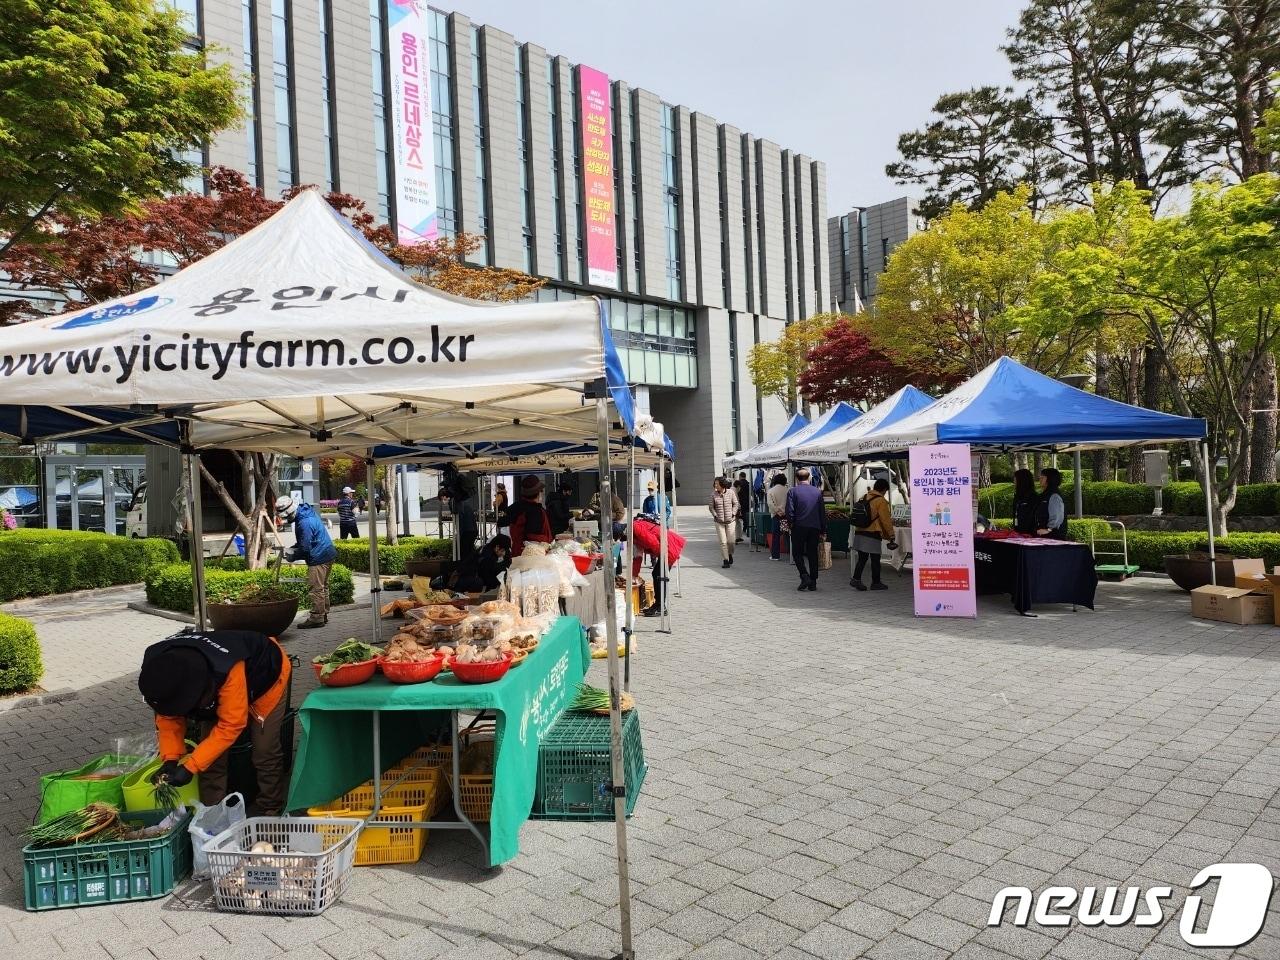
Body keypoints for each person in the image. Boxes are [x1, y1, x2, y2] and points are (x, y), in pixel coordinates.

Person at [138, 629, 291, 815]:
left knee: (264, 749)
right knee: (210, 757)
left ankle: (270, 806)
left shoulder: (227, 668)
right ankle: (212, 811)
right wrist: (170, 758)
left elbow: (232, 724)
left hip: (266, 675)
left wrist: (189, 767)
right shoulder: (162, 671)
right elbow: (168, 716)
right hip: (214, 686)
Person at [275, 495, 337, 628]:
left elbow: (305, 548)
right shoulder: (306, 513)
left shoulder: (303, 522)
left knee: (316, 588)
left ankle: (316, 618)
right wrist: (294, 548)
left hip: (319, 557)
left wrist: (293, 556)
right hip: (327, 553)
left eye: (286, 516)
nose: (286, 519)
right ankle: (323, 614)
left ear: (291, 512)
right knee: (323, 587)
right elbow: (305, 541)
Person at [850, 478, 897, 591]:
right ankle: (875, 582)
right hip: (872, 532)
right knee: (875, 559)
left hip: (860, 530)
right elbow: (885, 520)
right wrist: (891, 535)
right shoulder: (881, 501)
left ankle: (856, 579)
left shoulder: (865, 496)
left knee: (862, 558)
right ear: (884, 489)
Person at [785, 467, 826, 591]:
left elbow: (789, 511)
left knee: (797, 553)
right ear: (809, 477)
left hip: (799, 526)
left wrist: (791, 523)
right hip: (814, 527)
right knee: (812, 553)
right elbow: (822, 513)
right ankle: (813, 581)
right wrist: (823, 530)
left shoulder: (792, 492)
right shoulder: (817, 492)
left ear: (797, 479)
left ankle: (804, 575)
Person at [507, 475, 553, 556]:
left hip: (517, 551)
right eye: (541, 491)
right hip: (530, 554)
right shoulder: (535, 511)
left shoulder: (516, 506)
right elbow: (532, 536)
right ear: (538, 493)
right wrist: (546, 542)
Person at [709, 477, 737, 568]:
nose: (715, 485)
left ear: (722, 484)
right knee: (723, 542)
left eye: (717, 484)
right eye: (715, 484)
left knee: (731, 542)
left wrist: (733, 513)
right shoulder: (713, 494)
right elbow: (711, 507)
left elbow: (736, 504)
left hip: (730, 521)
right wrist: (715, 515)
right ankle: (725, 560)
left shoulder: (731, 492)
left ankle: (730, 554)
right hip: (719, 522)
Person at [1036, 467, 1068, 538]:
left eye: (1043, 477)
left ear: (1050, 479)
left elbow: (1057, 516)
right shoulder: (1044, 494)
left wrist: (1048, 529)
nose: (1040, 479)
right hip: (1044, 535)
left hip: (1053, 537)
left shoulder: (1054, 495)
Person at [450, 480, 478, 556]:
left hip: (466, 531)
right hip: (473, 530)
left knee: (464, 552)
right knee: (469, 551)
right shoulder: (464, 502)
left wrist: (459, 534)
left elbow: (461, 519)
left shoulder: (456, 503)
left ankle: (465, 566)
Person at [766, 474, 789, 561]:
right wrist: (783, 511)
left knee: (776, 536)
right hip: (786, 515)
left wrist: (777, 511)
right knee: (788, 534)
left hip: (776, 516)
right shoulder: (788, 490)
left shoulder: (771, 490)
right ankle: (792, 553)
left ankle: (775, 555)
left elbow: (770, 504)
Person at [1011, 468, 1039, 535]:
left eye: (1015, 480)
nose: (1014, 482)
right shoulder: (1017, 497)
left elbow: (1033, 518)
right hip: (1018, 533)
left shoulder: (1033, 497)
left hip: (1030, 535)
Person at [733, 472, 751, 543]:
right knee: (745, 519)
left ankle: (738, 536)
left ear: (740, 476)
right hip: (746, 504)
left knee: (738, 521)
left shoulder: (737, 486)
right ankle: (738, 536)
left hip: (740, 505)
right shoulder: (748, 484)